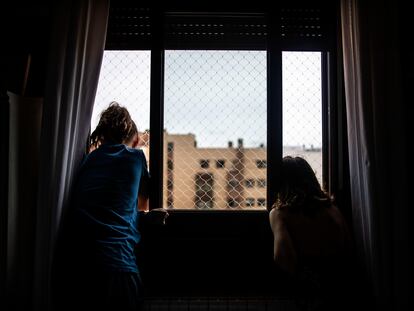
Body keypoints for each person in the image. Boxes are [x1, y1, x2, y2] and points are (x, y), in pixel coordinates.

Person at [53, 102, 167, 311]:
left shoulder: (86, 161)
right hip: (119, 265)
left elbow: (108, 210)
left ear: (102, 135)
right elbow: (141, 206)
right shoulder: (135, 157)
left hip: (78, 266)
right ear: (131, 136)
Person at [269, 156, 353, 310]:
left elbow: (282, 257)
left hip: (308, 291)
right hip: (342, 288)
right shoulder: (332, 209)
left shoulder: (280, 214)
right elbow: (348, 247)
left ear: (280, 184)